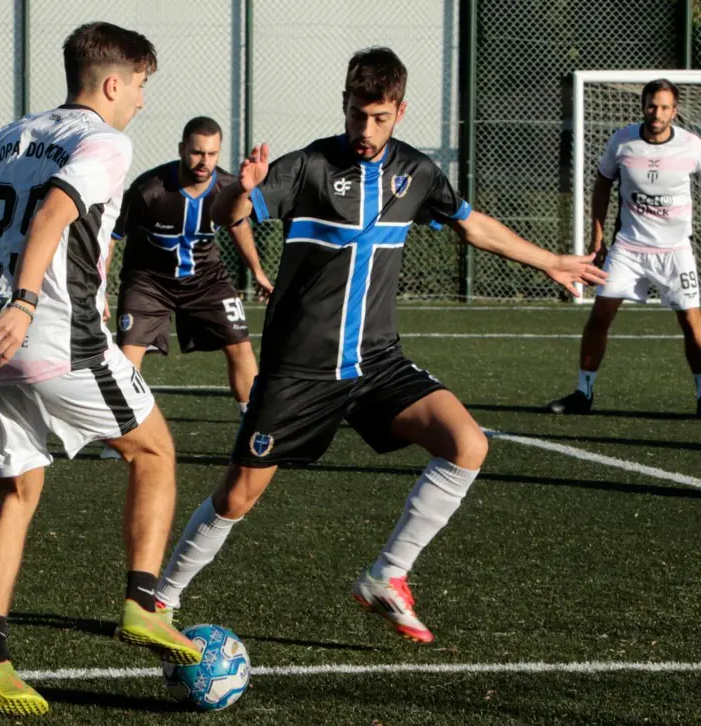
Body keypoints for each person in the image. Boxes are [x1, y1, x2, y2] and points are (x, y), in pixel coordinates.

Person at [153, 47, 606, 644]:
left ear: (400, 111)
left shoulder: (416, 174)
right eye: (356, 115)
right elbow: (230, 211)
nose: (365, 130)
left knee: (466, 443)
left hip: (376, 362)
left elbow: (471, 224)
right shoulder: (310, 166)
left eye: (380, 118)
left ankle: (387, 576)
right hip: (300, 370)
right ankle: (160, 600)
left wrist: (550, 260)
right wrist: (243, 189)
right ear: (344, 105)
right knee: (238, 494)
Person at [0, 21, 201, 717]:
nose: (141, 101)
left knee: (17, 494)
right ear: (113, 83)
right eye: (141, 86)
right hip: (56, 332)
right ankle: (144, 604)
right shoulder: (105, 141)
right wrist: (23, 305)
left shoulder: (9, 135)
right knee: (154, 453)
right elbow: (55, 209)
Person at [548, 79, 701, 418]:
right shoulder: (622, 141)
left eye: (664, 107)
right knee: (599, 315)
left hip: (676, 250)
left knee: (693, 324)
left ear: (674, 111)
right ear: (643, 105)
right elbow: (602, 184)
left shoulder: (693, 146)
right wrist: (598, 239)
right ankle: (583, 393)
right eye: (651, 105)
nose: (656, 113)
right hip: (629, 248)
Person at [109, 116, 271, 413]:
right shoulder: (149, 188)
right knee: (128, 354)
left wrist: (258, 272)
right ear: (182, 149)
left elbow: (239, 225)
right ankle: (123, 427)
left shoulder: (227, 187)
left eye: (211, 154)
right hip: (148, 282)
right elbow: (112, 237)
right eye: (197, 152)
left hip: (206, 279)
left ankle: (252, 420)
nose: (204, 161)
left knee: (240, 345)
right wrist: (97, 289)